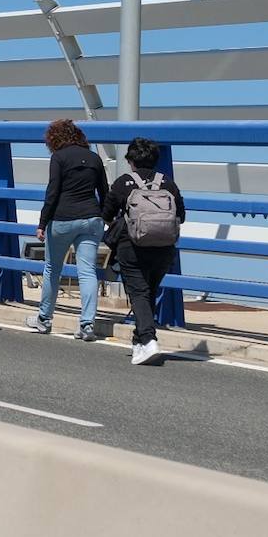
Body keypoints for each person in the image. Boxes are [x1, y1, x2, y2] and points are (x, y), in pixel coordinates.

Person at [104, 137, 185, 366]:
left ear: (131, 161)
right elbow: (181, 215)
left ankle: (149, 339)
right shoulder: (168, 183)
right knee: (148, 292)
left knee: (138, 293)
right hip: (164, 247)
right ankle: (139, 343)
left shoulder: (123, 183)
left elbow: (106, 213)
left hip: (133, 246)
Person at [27, 119, 107, 340]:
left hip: (63, 219)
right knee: (87, 271)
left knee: (53, 269)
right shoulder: (94, 158)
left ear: (54, 139)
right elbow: (105, 192)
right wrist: (102, 217)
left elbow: (52, 192)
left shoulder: (59, 158)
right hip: (91, 218)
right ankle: (87, 325)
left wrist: (42, 223)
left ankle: (44, 320)